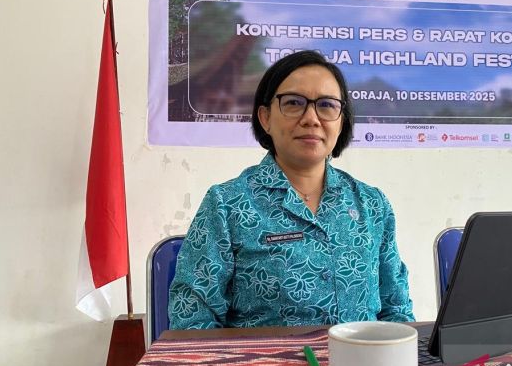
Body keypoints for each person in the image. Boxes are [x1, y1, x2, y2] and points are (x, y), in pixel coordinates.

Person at [169, 50, 415, 329]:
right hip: (265, 359)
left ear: (341, 121)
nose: (311, 118)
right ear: (265, 118)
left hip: (362, 357)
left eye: (326, 105)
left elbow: (397, 311)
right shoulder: (226, 205)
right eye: (294, 103)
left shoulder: (372, 204)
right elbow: (192, 319)